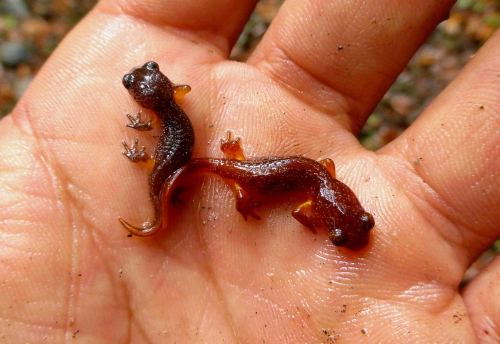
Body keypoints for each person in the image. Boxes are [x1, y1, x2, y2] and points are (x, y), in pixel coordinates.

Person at [0, 1, 498, 342]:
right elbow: (315, 183)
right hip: (247, 174)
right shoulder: (317, 201)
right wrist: (272, 200)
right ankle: (213, 184)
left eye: (347, 229)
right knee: (234, 178)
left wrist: (302, 194)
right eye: (349, 226)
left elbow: (321, 173)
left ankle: (218, 176)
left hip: (252, 168)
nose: (350, 224)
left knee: (232, 172)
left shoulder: (323, 195)